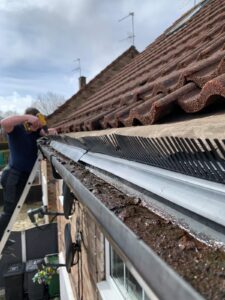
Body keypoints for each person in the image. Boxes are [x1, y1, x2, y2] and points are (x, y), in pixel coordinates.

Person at [0, 107, 57, 252]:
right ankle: (1, 240)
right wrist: (26, 117)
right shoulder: (17, 129)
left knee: (12, 211)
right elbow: (4, 122)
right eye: (34, 121)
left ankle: (3, 238)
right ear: (27, 120)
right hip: (13, 176)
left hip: (23, 176)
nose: (36, 124)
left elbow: (46, 134)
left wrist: (49, 129)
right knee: (9, 211)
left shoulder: (35, 133)